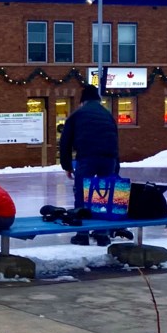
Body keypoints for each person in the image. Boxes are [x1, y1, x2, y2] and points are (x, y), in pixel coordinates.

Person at [59, 84, 119, 246]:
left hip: (87, 158)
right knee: (103, 195)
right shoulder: (107, 115)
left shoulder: (77, 114)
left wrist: (67, 165)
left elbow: (65, 142)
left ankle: (82, 233)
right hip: (108, 159)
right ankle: (101, 234)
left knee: (82, 195)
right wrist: (116, 167)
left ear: (83, 101)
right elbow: (115, 140)